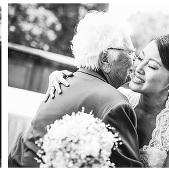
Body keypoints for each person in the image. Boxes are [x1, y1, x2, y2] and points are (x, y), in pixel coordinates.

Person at [46, 33, 169, 167]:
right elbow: (88, 82)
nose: (138, 68)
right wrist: (59, 76)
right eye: (140, 58)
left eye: (152, 66)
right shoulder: (118, 98)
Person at [8, 11, 144, 168]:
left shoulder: (60, 83)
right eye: (130, 53)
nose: (134, 60)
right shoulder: (117, 105)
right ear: (105, 59)